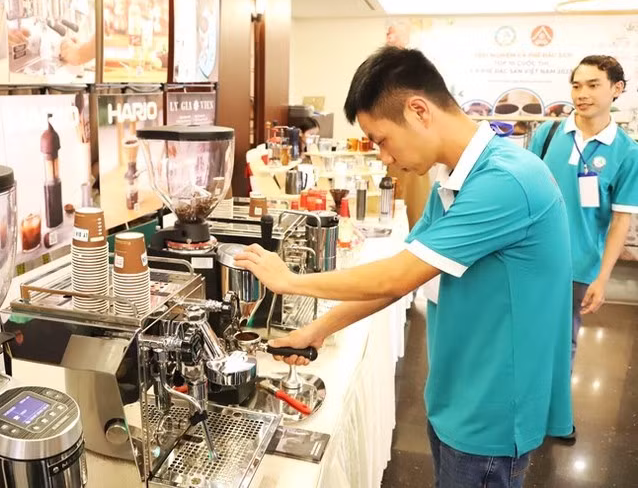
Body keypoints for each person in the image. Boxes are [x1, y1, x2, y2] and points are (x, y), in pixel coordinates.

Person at [235, 46, 573, 488]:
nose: (384, 158)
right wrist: (319, 329)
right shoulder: (455, 182)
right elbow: (403, 277)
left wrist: (292, 281)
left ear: (418, 110)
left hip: (492, 410)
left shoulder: (506, 181)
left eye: (381, 140)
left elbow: (396, 276)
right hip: (458, 393)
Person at [528, 55, 638, 439]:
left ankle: (554, 416)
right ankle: (522, 406)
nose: (583, 93)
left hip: (579, 264)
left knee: (564, 343)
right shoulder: (547, 135)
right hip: (532, 260)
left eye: (593, 85)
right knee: (525, 335)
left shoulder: (627, 152)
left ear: (616, 89)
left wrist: (603, 278)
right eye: (577, 85)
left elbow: (621, 219)